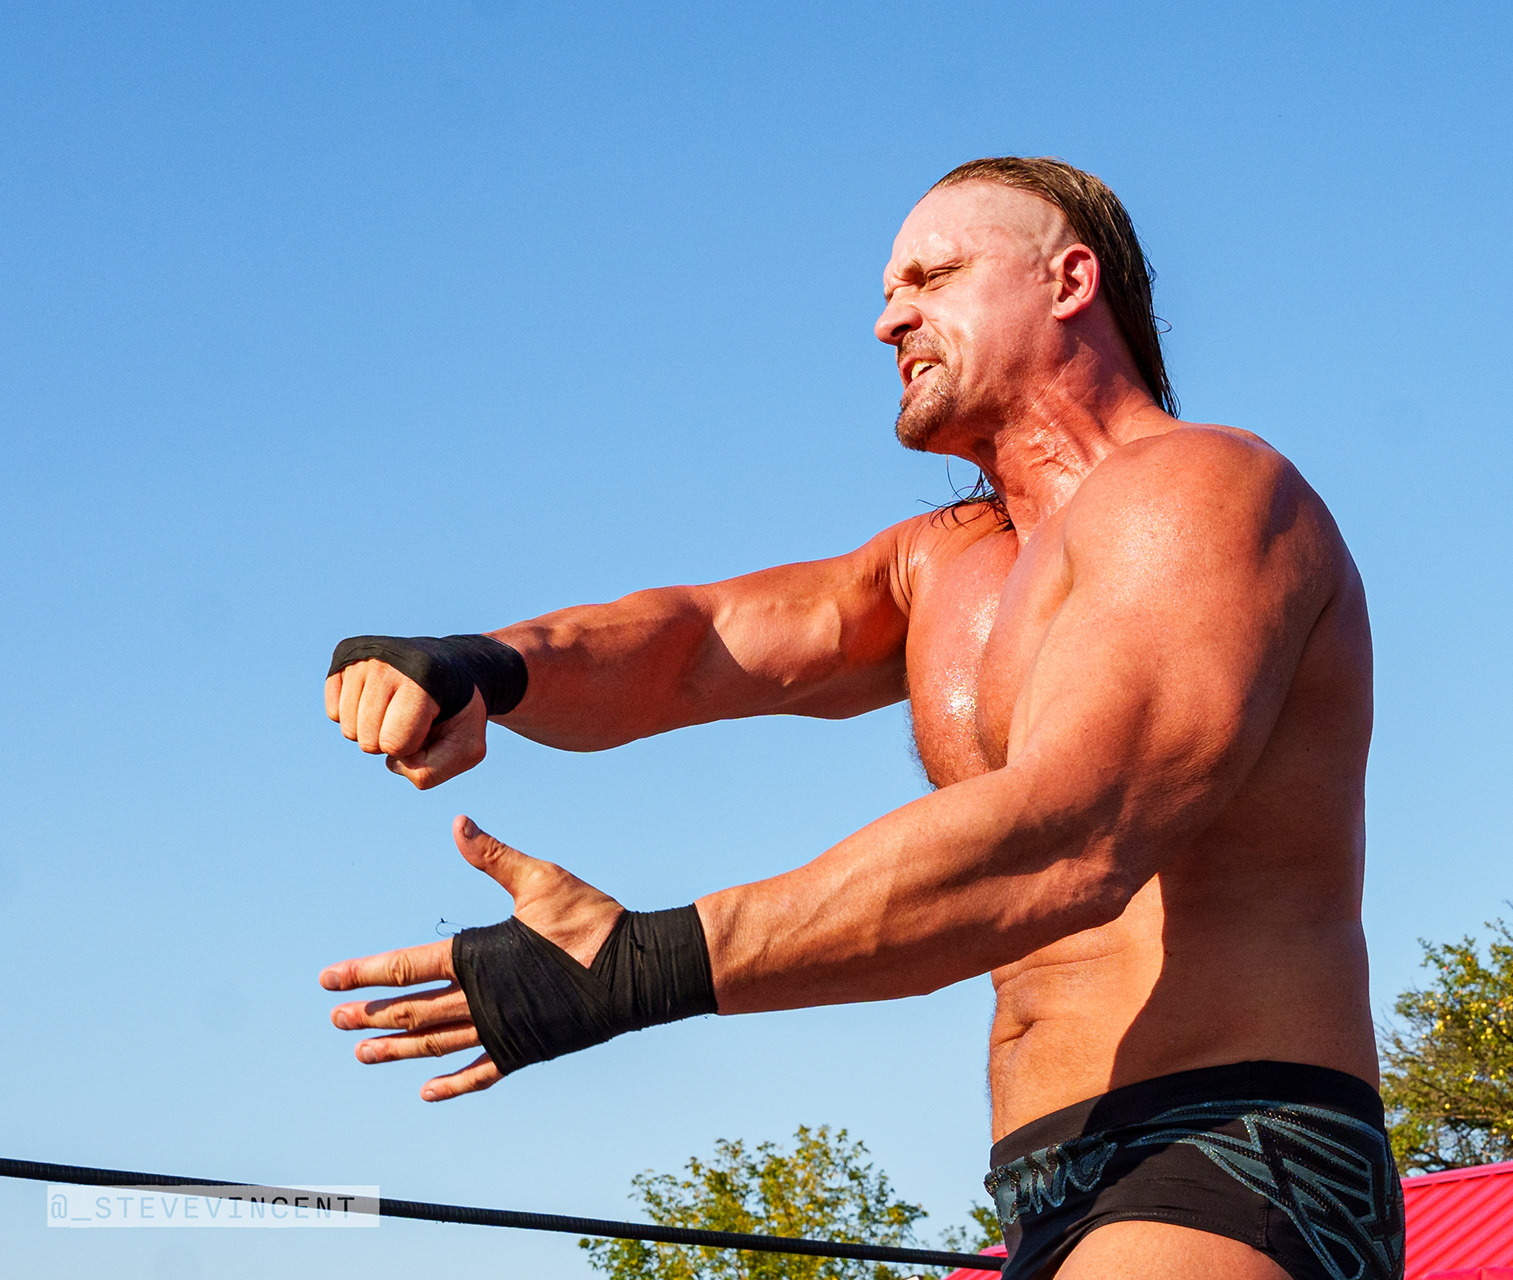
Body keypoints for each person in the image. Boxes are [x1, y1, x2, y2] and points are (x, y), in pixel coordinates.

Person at [318, 157, 1400, 1280]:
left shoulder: (1203, 493)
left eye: (933, 277)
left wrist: (635, 963)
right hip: (1044, 1184)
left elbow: (1079, 833)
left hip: (1236, 1140)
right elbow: (698, 646)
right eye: (889, 294)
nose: (890, 321)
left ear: (1070, 281)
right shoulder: (946, 564)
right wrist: (481, 664)